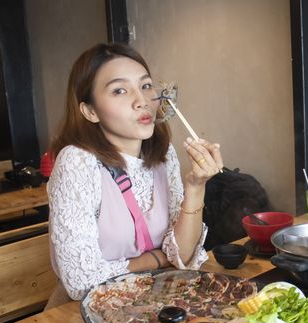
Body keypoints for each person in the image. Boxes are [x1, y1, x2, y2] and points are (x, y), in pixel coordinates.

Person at [45, 43, 223, 305]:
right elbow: (83, 282)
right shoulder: (77, 162)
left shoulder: (164, 155)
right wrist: (157, 258)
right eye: (119, 90)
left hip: (149, 306)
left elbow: (182, 257)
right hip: (82, 316)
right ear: (90, 111)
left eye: (146, 86)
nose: (141, 101)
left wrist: (196, 186)